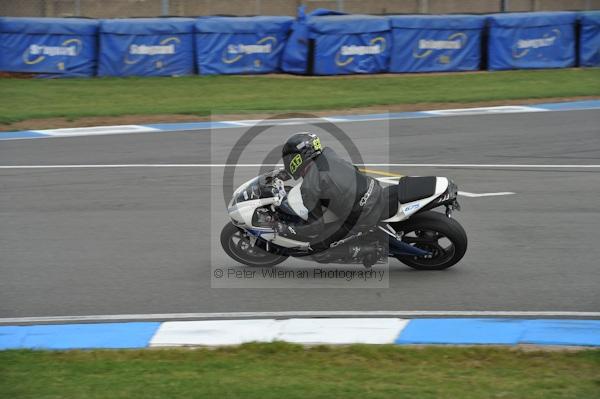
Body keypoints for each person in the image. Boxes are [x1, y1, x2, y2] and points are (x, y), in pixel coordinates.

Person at [276, 132, 388, 252]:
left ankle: (370, 250)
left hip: (364, 213)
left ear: (297, 158)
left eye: (288, 159)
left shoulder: (310, 186)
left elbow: (315, 227)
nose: (287, 163)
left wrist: (289, 229)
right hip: (374, 189)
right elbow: (353, 169)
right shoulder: (328, 154)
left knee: (317, 249)